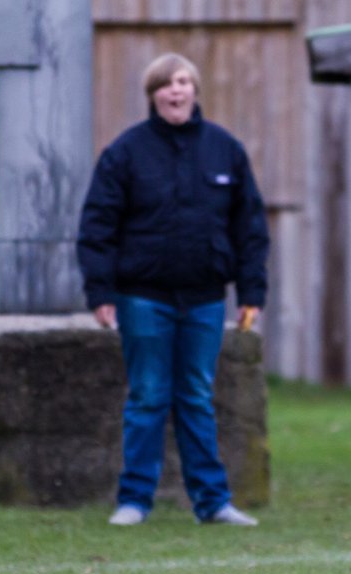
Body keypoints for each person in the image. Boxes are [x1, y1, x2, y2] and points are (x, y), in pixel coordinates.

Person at [76, 52, 269, 528]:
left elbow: (250, 229)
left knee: (197, 397)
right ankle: (134, 501)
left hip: (205, 298)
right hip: (143, 299)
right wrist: (100, 291)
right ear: (153, 95)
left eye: (183, 82)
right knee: (146, 396)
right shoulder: (126, 152)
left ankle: (213, 503)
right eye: (165, 84)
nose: (175, 91)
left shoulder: (225, 149)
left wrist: (251, 293)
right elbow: (96, 226)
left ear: (194, 91)